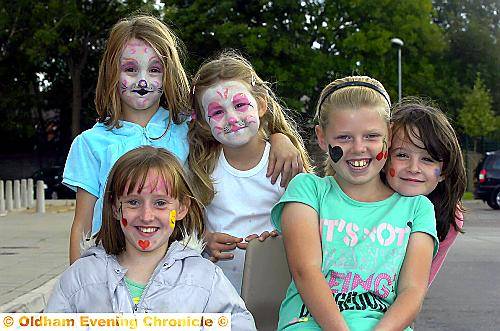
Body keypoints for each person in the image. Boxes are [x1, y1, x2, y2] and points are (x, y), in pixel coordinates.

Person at [63, 15, 303, 264]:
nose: (143, 80)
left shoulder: (186, 128)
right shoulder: (90, 143)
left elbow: (237, 129)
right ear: (112, 71)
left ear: (168, 73)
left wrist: (279, 137)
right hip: (113, 269)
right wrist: (77, 287)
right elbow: (82, 223)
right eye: (131, 69)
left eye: (154, 70)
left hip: (177, 271)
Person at [270, 76, 439, 330]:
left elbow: (412, 290)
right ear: (322, 137)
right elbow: (306, 270)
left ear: (389, 135)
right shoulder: (308, 191)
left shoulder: (417, 209)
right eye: (345, 137)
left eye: (371, 136)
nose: (359, 148)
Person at [46, 146, 257, 329]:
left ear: (182, 207)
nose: (147, 216)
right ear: (115, 208)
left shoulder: (206, 278)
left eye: (160, 203)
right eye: (133, 202)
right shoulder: (81, 277)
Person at [188, 51, 313, 294]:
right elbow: (186, 220)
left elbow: (310, 220)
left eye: (239, 105)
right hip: (218, 294)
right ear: (203, 122)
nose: (232, 118)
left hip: (278, 292)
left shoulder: (283, 161)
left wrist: (283, 234)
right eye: (217, 112)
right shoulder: (201, 167)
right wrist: (205, 239)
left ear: (261, 104)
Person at [385, 97, 466, 285]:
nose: (414, 168)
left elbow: (418, 287)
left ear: (444, 171)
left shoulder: (448, 215)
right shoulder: (359, 198)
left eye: (428, 159)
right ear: (384, 159)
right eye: (402, 155)